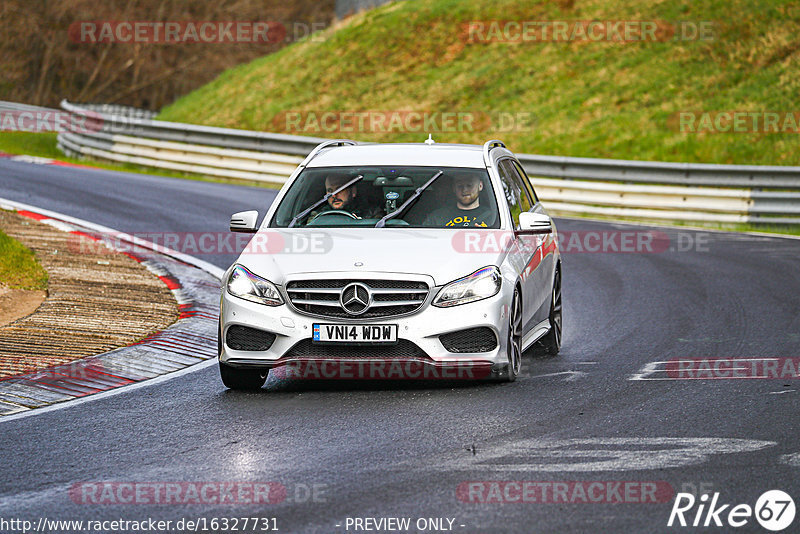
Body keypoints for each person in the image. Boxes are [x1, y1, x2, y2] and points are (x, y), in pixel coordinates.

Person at [423, 175, 494, 227]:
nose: (464, 190)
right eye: (460, 185)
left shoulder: (494, 218)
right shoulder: (437, 217)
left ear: (480, 186)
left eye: (469, 185)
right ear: (454, 188)